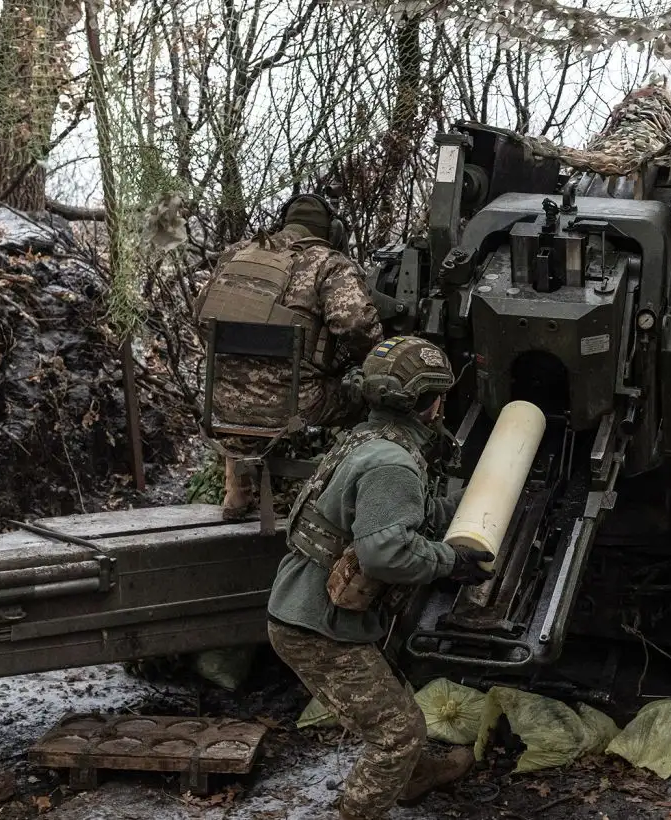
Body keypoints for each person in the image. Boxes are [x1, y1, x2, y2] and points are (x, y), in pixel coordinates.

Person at [265, 335, 493, 820]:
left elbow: (398, 514)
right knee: (397, 733)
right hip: (317, 626)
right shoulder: (393, 462)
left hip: (304, 605)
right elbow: (385, 555)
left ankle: (416, 777)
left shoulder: (367, 440)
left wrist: (472, 507)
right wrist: (450, 561)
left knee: (391, 690)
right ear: (430, 404)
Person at [194, 193, 382, 519]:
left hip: (220, 402)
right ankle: (347, 495)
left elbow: (201, 316)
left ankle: (237, 494)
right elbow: (355, 325)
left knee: (242, 383)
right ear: (332, 231)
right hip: (296, 404)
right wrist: (370, 359)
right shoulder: (327, 263)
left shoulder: (236, 254)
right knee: (367, 394)